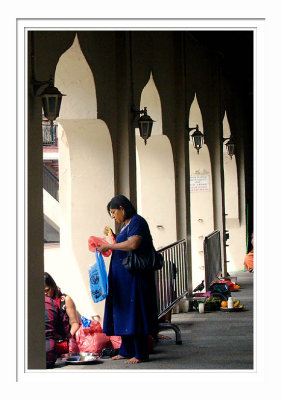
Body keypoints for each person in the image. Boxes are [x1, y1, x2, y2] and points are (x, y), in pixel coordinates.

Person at [97, 195, 159, 364]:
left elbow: (133, 244)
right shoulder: (126, 225)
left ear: (123, 208)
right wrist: (112, 237)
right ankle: (126, 349)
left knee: (135, 312)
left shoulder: (138, 222)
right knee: (123, 312)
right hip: (122, 278)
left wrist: (110, 245)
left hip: (134, 277)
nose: (113, 216)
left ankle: (140, 353)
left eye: (114, 212)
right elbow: (123, 242)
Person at [44, 272, 80, 352]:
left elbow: (75, 323)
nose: (45, 294)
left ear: (53, 287)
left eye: (47, 290)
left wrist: (67, 337)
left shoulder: (65, 300)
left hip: (64, 339)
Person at [45, 295, 70, 368]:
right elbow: (65, 331)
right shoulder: (50, 302)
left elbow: (73, 322)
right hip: (47, 356)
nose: (46, 292)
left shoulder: (65, 299)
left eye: (47, 289)